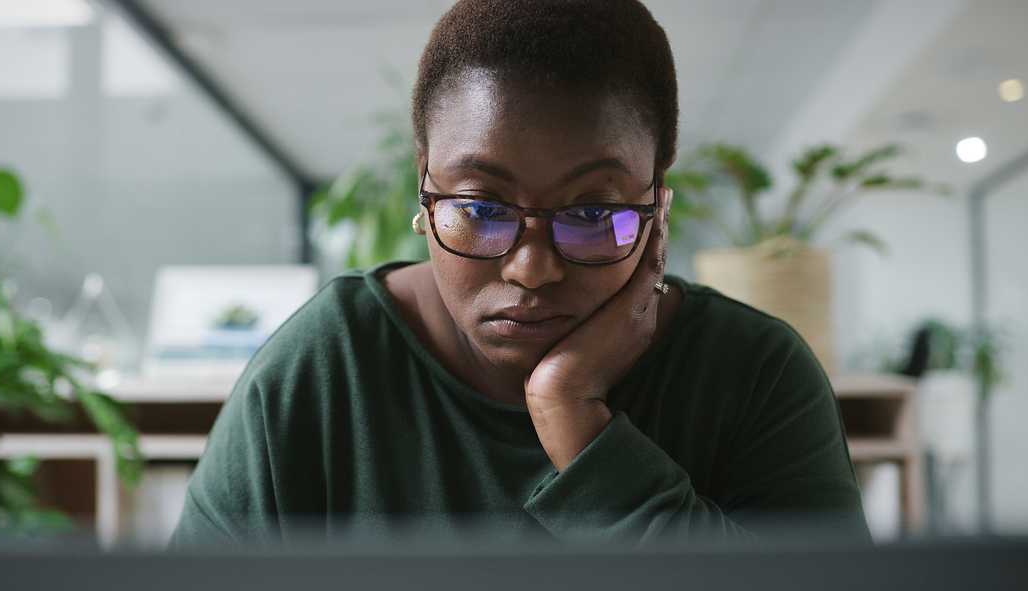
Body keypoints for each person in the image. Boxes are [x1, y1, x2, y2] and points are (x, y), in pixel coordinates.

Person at [170, 0, 869, 547]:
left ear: (657, 205)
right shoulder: (322, 370)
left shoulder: (754, 374)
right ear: (425, 188)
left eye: (593, 211)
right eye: (480, 206)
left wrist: (574, 416)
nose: (532, 268)